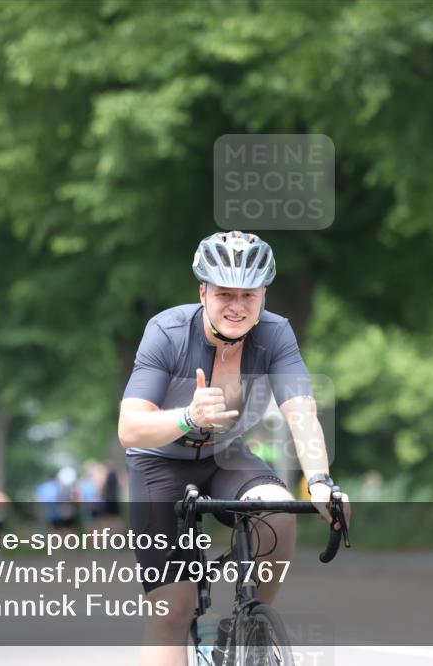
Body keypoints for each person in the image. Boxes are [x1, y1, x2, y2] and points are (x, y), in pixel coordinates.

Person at [118, 230, 351, 666]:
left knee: (278, 510)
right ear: (202, 291)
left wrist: (320, 481)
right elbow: (130, 428)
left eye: (249, 295)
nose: (238, 307)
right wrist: (188, 417)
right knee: (172, 612)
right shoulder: (166, 332)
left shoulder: (276, 334)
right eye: (225, 294)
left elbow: (301, 411)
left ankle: (249, 621)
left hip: (224, 455)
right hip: (159, 462)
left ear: (263, 295)